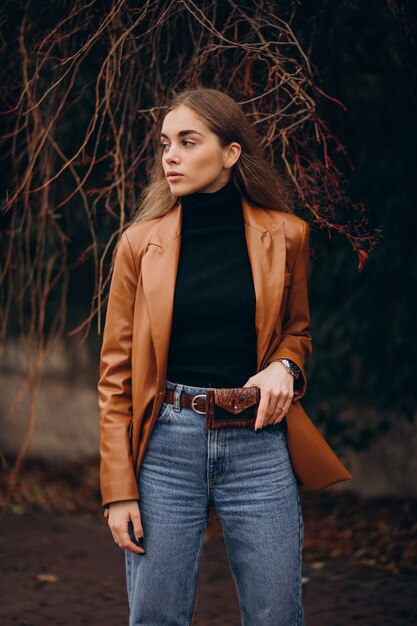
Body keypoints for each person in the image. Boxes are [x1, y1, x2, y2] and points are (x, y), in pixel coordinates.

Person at [98, 86, 313, 625]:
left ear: (231, 152)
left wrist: (285, 366)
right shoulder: (137, 245)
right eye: (166, 143)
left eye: (188, 142)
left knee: (276, 616)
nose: (170, 155)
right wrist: (118, 491)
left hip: (260, 446)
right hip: (166, 447)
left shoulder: (287, 236)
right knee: (156, 617)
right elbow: (115, 379)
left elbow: (298, 333)